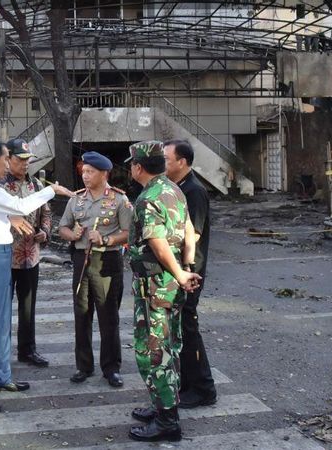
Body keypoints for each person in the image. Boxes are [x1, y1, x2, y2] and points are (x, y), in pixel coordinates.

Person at [0, 139, 74, 413]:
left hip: (1, 253)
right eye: (5, 160)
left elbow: (12, 212)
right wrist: (51, 190)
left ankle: (1, 377)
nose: (7, 165)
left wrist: (12, 215)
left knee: (2, 320)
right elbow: (21, 207)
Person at [125, 140, 202, 442]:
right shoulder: (175, 190)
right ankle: (162, 404)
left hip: (155, 286)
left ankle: (168, 421)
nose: (130, 168)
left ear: (139, 167)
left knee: (153, 352)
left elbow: (157, 244)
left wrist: (181, 273)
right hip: (171, 285)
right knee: (171, 347)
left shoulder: (148, 198)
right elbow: (189, 233)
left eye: (131, 164)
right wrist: (187, 266)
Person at [58, 151, 133, 387]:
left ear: (104, 173)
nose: (85, 175)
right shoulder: (76, 199)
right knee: (82, 314)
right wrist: (73, 234)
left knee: (108, 316)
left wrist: (106, 240)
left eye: (90, 172)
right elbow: (63, 227)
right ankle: (84, 365)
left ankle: (111, 368)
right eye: (83, 171)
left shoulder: (119, 200)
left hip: (108, 261)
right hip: (81, 260)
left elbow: (128, 233)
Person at [163, 139, 216, 408]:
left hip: (189, 273)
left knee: (189, 329)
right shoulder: (178, 187)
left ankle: (204, 388)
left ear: (181, 162)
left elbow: (191, 235)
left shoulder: (194, 191)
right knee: (181, 331)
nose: (163, 164)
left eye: (167, 159)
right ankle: (187, 384)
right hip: (180, 272)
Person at [0, 138, 52, 368]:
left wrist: (45, 232)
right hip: (4, 257)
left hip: (31, 257)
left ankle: (27, 350)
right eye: (20, 160)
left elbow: (46, 214)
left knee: (28, 307)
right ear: (8, 159)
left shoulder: (37, 186)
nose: (24, 164)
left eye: (27, 160)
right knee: (1, 308)